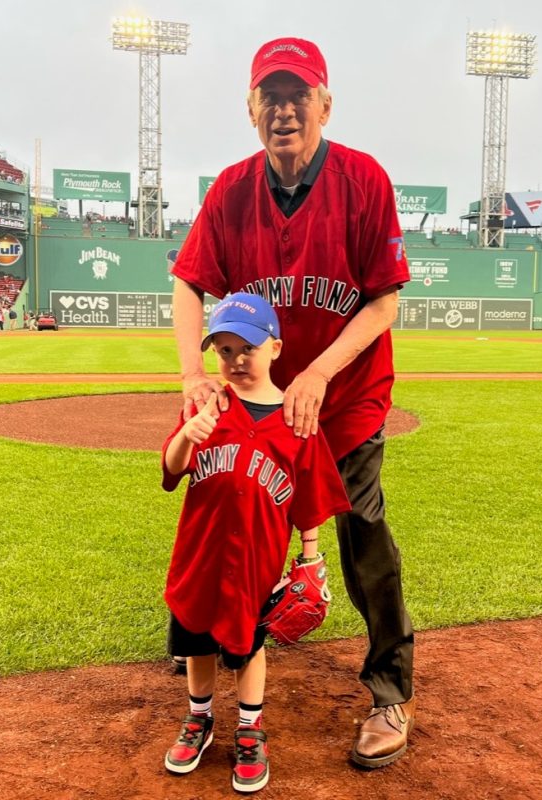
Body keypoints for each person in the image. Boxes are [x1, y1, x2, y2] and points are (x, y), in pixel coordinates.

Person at [170, 37, 415, 770]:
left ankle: (388, 692)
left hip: (344, 401)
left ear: (323, 104)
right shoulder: (231, 190)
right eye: (269, 97)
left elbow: (382, 302)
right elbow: (189, 284)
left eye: (297, 95)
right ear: (250, 110)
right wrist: (192, 373)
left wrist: (318, 376)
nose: (284, 110)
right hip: (257, 401)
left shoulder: (362, 179)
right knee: (230, 513)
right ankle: (212, 651)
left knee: (359, 532)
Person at [162, 293, 350, 793]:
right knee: (196, 639)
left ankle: (250, 729)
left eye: (247, 347)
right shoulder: (207, 407)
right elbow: (172, 468)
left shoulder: (297, 420)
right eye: (223, 350)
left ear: (276, 348)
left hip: (256, 561)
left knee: (249, 646)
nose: (235, 360)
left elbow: (309, 498)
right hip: (199, 555)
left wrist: (311, 557)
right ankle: (199, 720)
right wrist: (189, 434)